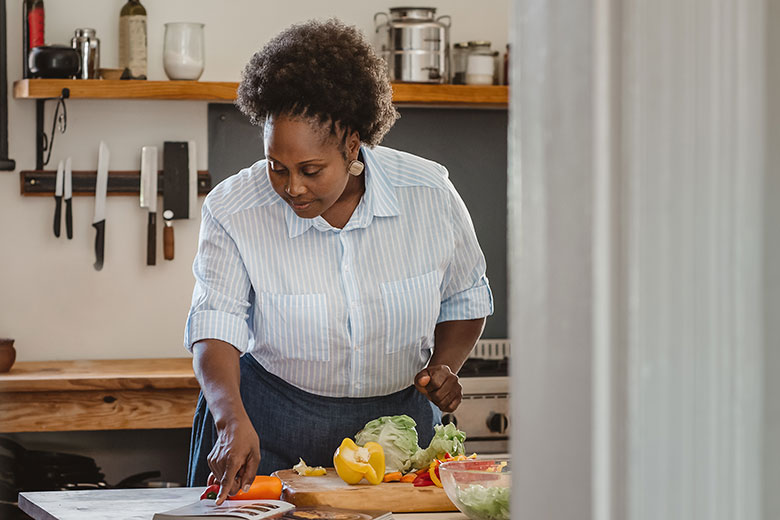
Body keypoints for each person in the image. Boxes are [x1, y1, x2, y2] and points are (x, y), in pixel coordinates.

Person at [184, 18, 493, 504]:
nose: (291, 187)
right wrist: (229, 418)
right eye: (276, 167)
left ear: (353, 145)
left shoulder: (429, 193)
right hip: (269, 425)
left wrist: (444, 367)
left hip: (398, 435)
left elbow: (465, 295)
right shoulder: (233, 209)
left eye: (310, 170)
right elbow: (213, 323)